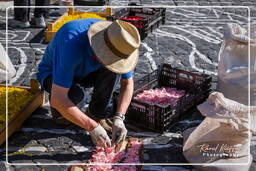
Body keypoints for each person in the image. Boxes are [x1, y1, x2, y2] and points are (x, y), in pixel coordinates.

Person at [36, 18, 141, 148]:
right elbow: (58, 99)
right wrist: (92, 127)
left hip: (87, 73)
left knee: (113, 71)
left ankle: (97, 113)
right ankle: (68, 110)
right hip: (53, 74)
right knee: (72, 103)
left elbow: (128, 84)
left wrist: (119, 118)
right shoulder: (71, 41)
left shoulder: (119, 40)